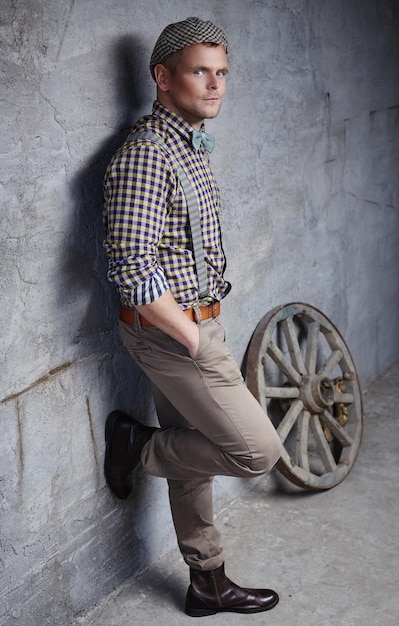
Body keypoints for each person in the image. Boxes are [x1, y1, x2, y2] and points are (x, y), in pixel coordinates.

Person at [103, 16, 283, 617]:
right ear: (162, 76)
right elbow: (131, 267)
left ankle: (206, 582)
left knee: (197, 453)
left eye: (222, 73)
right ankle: (137, 447)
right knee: (256, 450)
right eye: (200, 71)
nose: (215, 85)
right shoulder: (146, 156)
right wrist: (189, 336)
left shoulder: (188, 141)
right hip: (172, 334)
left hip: (196, 324)